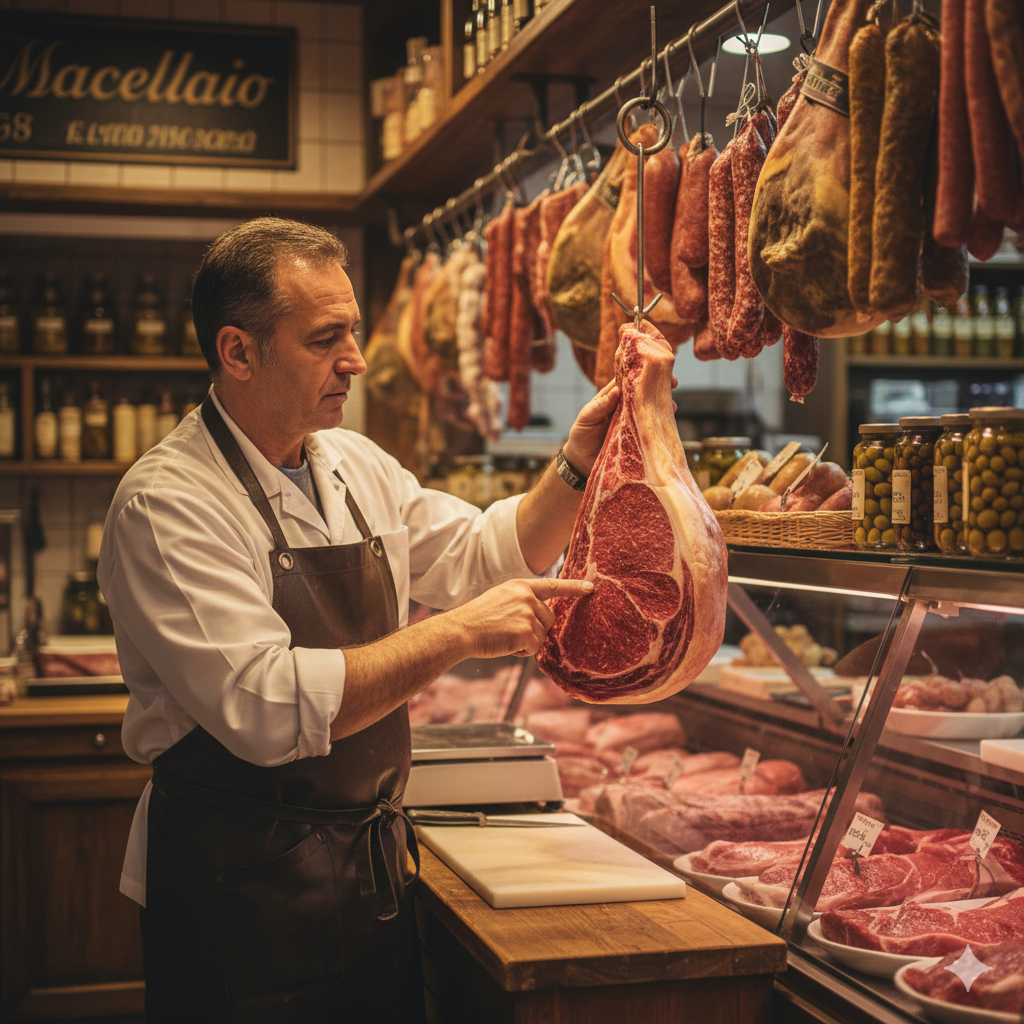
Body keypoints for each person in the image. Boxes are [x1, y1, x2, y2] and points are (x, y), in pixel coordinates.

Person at [97, 217, 624, 1021]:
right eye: (325, 338)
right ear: (238, 352)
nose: (358, 359)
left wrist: (577, 463)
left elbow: (488, 552)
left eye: (353, 329)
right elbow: (267, 707)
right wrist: (456, 633)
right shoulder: (168, 502)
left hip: (368, 867)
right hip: (234, 890)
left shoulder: (352, 463)